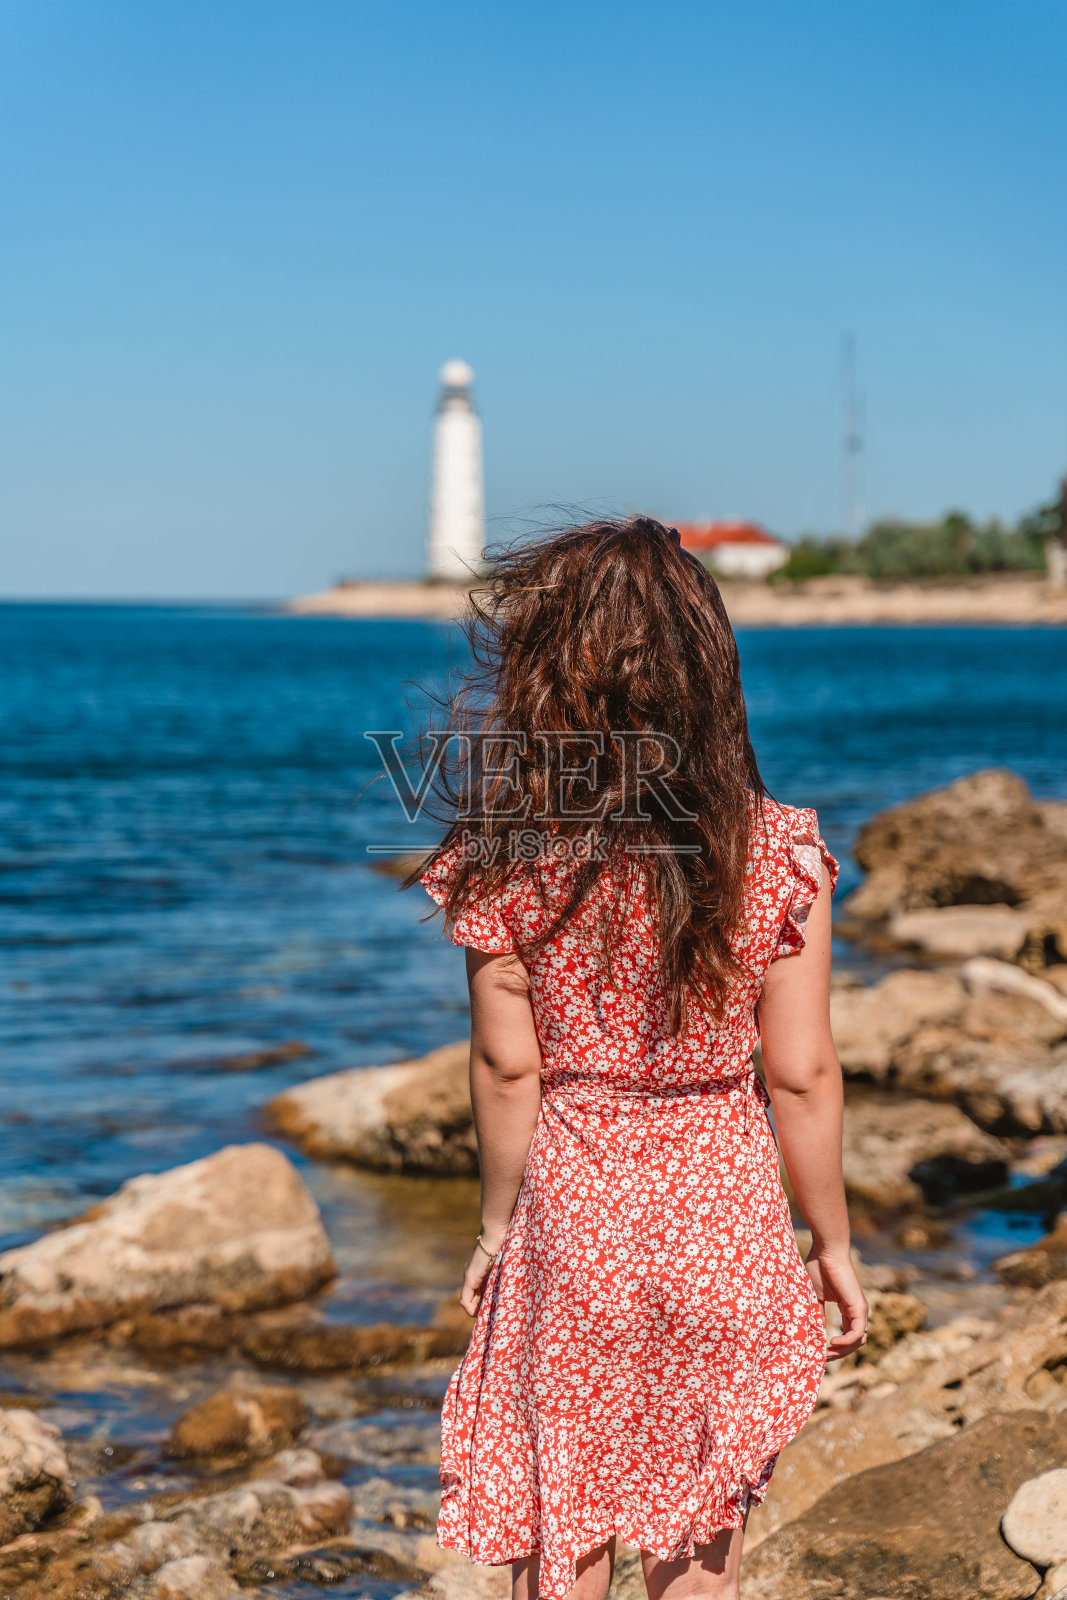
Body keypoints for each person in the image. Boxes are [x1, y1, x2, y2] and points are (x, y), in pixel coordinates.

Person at [412, 516, 867, 1600]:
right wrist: (832, 1240)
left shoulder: (506, 851)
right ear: (708, 672)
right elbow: (798, 1071)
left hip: (575, 1222)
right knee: (698, 1536)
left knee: (561, 1529)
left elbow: (507, 1067)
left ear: (544, 675)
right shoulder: (777, 848)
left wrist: (492, 1226)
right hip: (725, 1215)